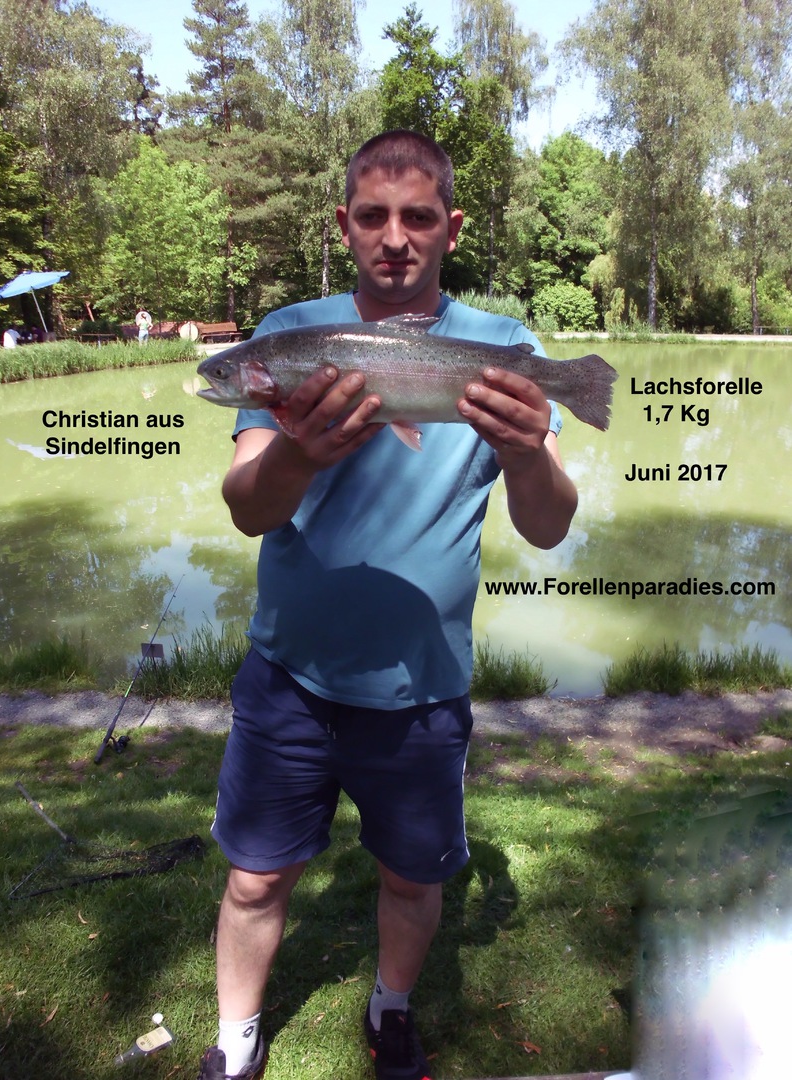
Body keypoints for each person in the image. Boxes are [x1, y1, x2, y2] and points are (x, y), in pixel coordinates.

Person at [199, 130, 578, 1080]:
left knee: (412, 880)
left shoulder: (504, 348)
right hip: (289, 677)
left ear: (452, 227)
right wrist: (298, 453)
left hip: (423, 690)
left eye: (417, 217)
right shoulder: (291, 335)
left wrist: (527, 451)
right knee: (254, 878)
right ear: (345, 224)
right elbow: (247, 508)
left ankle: (392, 1006)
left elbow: (547, 528)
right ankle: (237, 1036)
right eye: (373, 216)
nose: (395, 237)